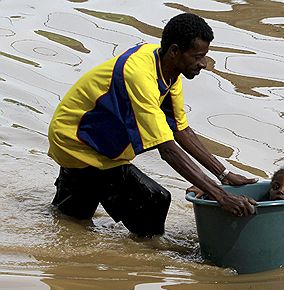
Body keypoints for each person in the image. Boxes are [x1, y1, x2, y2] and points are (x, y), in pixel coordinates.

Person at [47, 13, 257, 237]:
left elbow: (179, 129)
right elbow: (166, 149)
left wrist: (224, 175)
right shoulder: (140, 75)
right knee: (154, 201)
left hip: (98, 141)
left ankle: (55, 227)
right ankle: (152, 257)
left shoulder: (169, 69)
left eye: (204, 56)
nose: (203, 64)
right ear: (175, 51)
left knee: (73, 219)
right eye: (198, 56)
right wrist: (221, 196)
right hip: (78, 142)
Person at [188, 166, 284, 205]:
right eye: (276, 187)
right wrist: (205, 188)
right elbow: (226, 199)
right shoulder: (260, 202)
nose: (281, 191)